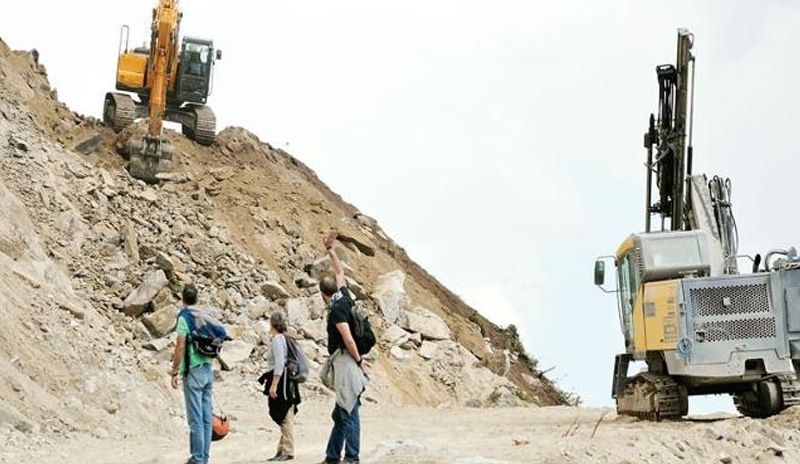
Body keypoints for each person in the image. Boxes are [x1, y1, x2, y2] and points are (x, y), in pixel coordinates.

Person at [318, 230, 370, 464]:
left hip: (346, 360)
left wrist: (359, 360)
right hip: (348, 360)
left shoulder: (336, 311)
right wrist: (330, 250)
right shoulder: (344, 296)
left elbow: (348, 339)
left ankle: (352, 458)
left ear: (322, 294)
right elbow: (340, 271)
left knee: (349, 412)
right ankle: (331, 456)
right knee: (341, 412)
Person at [170, 283, 214, 464]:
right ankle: (204, 457)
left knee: (195, 418)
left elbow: (180, 346)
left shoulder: (184, 318)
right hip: (208, 368)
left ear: (182, 299)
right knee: (206, 418)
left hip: (193, 371)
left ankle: (198, 459)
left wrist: (174, 371)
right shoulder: (205, 316)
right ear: (197, 298)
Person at [261, 311, 301, 461]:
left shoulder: (278, 340)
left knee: (284, 413)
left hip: (280, 379)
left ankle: (288, 450)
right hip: (285, 379)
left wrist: (274, 385)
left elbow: (279, 364)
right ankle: (282, 449)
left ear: (273, 324)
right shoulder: (284, 338)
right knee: (285, 412)